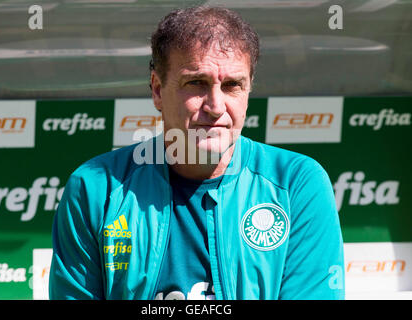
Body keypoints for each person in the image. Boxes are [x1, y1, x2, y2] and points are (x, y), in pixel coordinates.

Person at [49, 6, 345, 300]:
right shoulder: (96, 188)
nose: (215, 106)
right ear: (156, 90)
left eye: (232, 86)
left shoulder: (296, 185)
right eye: (197, 84)